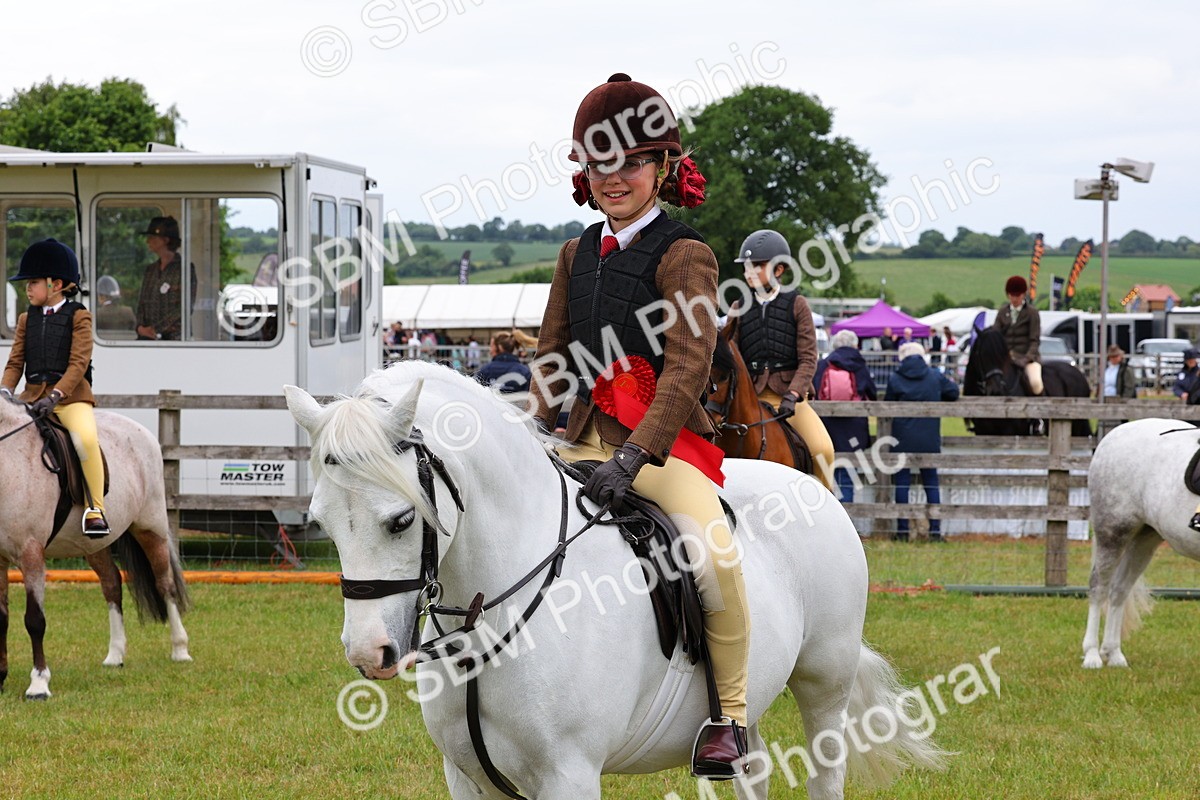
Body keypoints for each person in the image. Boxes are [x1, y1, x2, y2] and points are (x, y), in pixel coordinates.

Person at [529, 73, 749, 778]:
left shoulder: (685, 254)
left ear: (662, 168)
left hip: (661, 449)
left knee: (712, 557)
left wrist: (635, 459)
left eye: (629, 162)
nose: (613, 178)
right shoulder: (575, 254)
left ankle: (732, 718)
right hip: (583, 437)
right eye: (599, 164)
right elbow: (553, 354)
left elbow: (687, 367)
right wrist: (535, 426)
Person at [1, 239, 108, 536]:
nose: (27, 288)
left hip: (70, 399)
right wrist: (5, 392)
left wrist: (57, 395)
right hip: (32, 397)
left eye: (33, 282)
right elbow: (14, 363)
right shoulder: (26, 319)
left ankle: (95, 509)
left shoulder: (79, 316)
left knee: (85, 441)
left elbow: (78, 363)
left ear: (56, 284)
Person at [726, 229, 836, 491]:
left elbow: (809, 358)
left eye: (757, 266)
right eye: (746, 268)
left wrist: (794, 393)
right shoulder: (738, 307)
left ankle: (828, 513)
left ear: (778, 270)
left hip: (789, 398)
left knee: (823, 450)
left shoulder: (797, 304)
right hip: (749, 399)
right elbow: (729, 356)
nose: (748, 272)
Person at [885, 342, 959, 542]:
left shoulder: (895, 378)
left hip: (901, 439)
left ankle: (902, 532)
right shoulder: (934, 376)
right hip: (929, 440)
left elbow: (887, 405)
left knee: (902, 484)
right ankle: (935, 531)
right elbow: (954, 392)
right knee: (931, 484)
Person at [811, 329, 877, 503]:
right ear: (855, 345)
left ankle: (827, 518)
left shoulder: (823, 365)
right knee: (848, 474)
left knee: (825, 475)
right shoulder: (860, 366)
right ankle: (846, 518)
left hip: (826, 427)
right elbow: (872, 393)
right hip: (854, 428)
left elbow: (813, 391)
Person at [135, 216, 194, 341]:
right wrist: (140, 328)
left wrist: (156, 329)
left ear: (165, 240)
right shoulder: (150, 270)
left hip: (176, 341)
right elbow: (141, 304)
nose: (148, 241)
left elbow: (184, 308)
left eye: (152, 237)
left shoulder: (184, 269)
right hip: (147, 340)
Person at [992, 275, 1042, 395]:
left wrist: (1026, 359)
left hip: (1027, 358)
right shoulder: (1002, 312)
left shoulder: (1032, 313)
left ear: (1023, 295)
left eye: (1017, 295)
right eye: (1011, 295)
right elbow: (996, 335)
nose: (1014, 299)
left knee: (1035, 383)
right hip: (1006, 359)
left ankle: (1041, 412)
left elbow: (1034, 340)